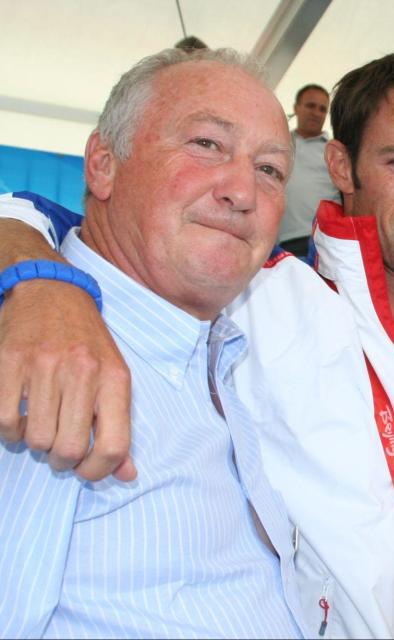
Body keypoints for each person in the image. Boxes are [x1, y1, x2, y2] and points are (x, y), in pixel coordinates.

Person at [0, 48, 394, 639]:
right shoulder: (264, 300)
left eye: (269, 169)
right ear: (341, 167)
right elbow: (84, 224)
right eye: (206, 145)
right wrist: (35, 279)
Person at [0, 48, 306, 637]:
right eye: (206, 145)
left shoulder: (217, 350)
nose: (243, 190)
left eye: (270, 169)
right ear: (103, 164)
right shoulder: (45, 349)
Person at [277, 83, 339, 257]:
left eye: (322, 109)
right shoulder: (277, 142)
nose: (316, 113)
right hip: (268, 241)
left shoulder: (335, 154)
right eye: (311, 106)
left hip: (313, 243)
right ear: (296, 107)